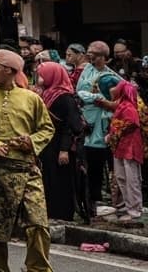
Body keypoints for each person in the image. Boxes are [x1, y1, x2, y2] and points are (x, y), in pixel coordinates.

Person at [0, 49, 54, 272]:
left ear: (10, 71)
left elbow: (46, 128)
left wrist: (30, 142)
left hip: (26, 169)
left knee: (38, 223)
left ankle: (38, 269)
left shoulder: (31, 99)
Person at [35, 61, 83, 222]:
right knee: (48, 178)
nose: (39, 78)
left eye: (42, 74)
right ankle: (49, 211)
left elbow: (71, 125)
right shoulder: (46, 93)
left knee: (61, 179)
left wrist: (64, 149)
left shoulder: (64, 97)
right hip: (47, 144)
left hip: (60, 145)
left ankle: (62, 213)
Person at [77, 41, 115, 216]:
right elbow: (80, 91)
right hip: (87, 119)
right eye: (89, 52)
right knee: (87, 163)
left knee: (99, 164)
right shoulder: (86, 70)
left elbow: (117, 98)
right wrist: (97, 97)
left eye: (94, 54)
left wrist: (102, 101)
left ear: (104, 57)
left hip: (103, 123)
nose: (90, 56)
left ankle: (101, 199)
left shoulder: (111, 76)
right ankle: (88, 201)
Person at [107, 79, 143, 224]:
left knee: (131, 179)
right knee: (122, 178)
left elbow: (132, 124)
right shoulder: (122, 106)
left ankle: (134, 210)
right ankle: (129, 207)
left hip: (130, 146)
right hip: (121, 146)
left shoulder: (128, 107)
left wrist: (114, 134)